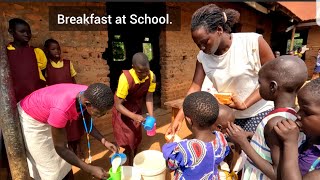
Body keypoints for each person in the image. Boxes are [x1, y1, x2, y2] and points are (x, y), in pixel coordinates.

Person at [166, 4, 275, 137]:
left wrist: (245, 104)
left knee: (252, 153)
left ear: (219, 29)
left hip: (258, 112)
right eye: (197, 44)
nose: (201, 47)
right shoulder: (202, 58)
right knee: (228, 152)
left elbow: (272, 79)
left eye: (205, 41)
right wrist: (179, 118)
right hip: (227, 117)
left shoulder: (252, 42)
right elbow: (195, 88)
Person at [226, 55, 308, 180]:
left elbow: (277, 174)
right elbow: (273, 146)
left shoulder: (276, 122)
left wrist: (243, 143)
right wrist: (253, 136)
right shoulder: (294, 114)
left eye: (259, 82)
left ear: (272, 87)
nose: (258, 87)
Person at [18, 83, 117, 180]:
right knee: (49, 166)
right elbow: (61, 148)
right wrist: (89, 169)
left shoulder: (88, 95)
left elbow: (86, 123)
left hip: (48, 112)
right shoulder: (61, 110)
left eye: (105, 113)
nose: (101, 115)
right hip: (31, 119)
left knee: (64, 161)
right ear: (87, 104)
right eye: (99, 112)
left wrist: (104, 141)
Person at [1, 18, 47, 179]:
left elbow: (40, 75)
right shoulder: (5, 52)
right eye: (22, 31)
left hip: (34, 102)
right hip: (14, 103)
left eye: (28, 31)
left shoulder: (37, 52)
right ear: (11, 32)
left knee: (35, 140)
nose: (27, 34)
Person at [162, 91, 230, 179]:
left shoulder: (184, 149)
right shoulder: (221, 138)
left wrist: (169, 146)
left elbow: (170, 166)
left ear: (189, 120)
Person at [112, 52, 156, 165]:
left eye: (147, 71)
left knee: (136, 134)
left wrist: (151, 116)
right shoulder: (125, 78)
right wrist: (134, 116)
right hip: (123, 109)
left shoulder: (151, 76)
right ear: (133, 68)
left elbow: (149, 96)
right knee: (128, 136)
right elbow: (118, 105)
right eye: (140, 72)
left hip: (136, 106)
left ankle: (134, 154)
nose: (145, 74)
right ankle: (130, 158)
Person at [44, 38, 83, 158]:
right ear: (47, 51)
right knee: (63, 125)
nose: (57, 51)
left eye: (58, 48)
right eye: (53, 49)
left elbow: (74, 81)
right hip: (57, 103)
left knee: (75, 123)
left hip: (70, 99)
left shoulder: (67, 63)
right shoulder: (46, 67)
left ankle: (77, 146)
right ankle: (69, 147)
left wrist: (78, 96)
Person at [274, 78, 320, 180]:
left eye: (306, 112)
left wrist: (290, 143)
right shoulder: (310, 135)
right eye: (299, 108)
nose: (298, 115)